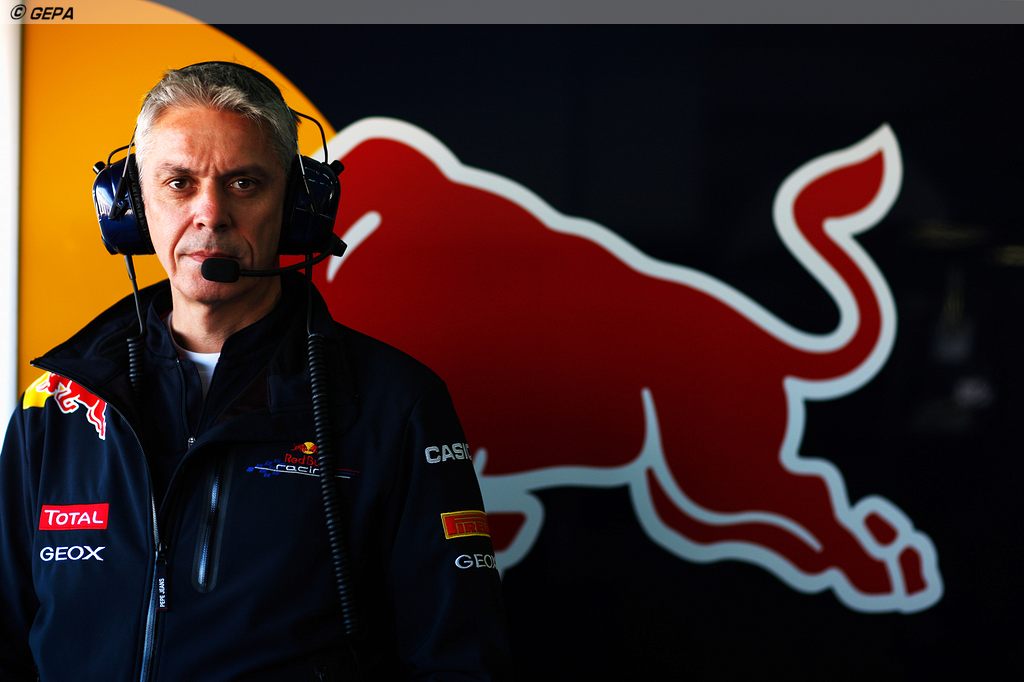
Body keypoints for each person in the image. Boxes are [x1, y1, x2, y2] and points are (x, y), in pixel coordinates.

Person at [0, 62, 510, 680]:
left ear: (295, 207)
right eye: (179, 183)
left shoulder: (395, 405)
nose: (210, 214)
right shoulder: (55, 405)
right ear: (132, 206)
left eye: (243, 183)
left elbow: (459, 660)